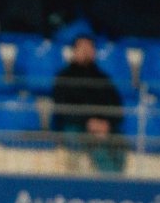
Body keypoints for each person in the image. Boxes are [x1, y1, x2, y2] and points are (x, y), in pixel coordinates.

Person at [50, 35, 124, 172]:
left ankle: (118, 180)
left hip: (102, 127)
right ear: (74, 51)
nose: (86, 51)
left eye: (89, 48)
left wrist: (106, 124)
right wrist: (88, 122)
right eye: (82, 48)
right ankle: (111, 185)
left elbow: (116, 108)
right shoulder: (64, 77)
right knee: (97, 148)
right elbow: (62, 108)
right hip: (75, 126)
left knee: (119, 145)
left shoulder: (103, 79)